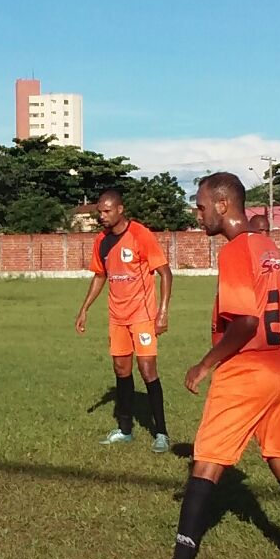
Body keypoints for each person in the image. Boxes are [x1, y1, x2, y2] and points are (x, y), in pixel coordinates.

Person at [155, 172, 280, 559]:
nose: (197, 214)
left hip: (247, 371)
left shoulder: (235, 250)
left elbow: (246, 321)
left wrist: (205, 363)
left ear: (222, 205)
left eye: (201, 206)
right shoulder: (269, 248)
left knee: (206, 464)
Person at [75, 189, 173, 452]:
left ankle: (161, 433)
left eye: (107, 211)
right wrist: (84, 309)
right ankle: (125, 430)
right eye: (99, 212)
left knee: (147, 369)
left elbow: (165, 273)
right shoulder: (101, 241)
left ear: (120, 209)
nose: (102, 216)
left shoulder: (141, 234)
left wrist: (163, 312)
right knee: (121, 370)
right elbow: (99, 276)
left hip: (142, 315)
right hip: (117, 317)